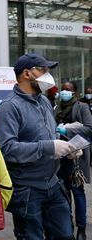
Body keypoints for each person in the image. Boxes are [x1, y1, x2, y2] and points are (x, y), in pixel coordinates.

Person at [0, 53, 78, 239]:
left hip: (54, 184)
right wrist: (49, 147)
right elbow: (7, 149)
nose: (48, 75)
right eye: (43, 70)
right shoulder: (9, 107)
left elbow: (52, 135)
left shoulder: (45, 102)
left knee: (65, 235)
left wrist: (66, 148)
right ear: (26, 74)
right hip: (27, 189)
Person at [55, 81, 92, 240]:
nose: (64, 92)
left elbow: (89, 128)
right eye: (62, 89)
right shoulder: (56, 108)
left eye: (68, 90)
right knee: (63, 192)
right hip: (59, 156)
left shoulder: (82, 107)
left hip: (76, 156)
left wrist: (67, 129)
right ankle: (67, 224)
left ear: (75, 93)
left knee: (78, 192)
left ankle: (81, 229)